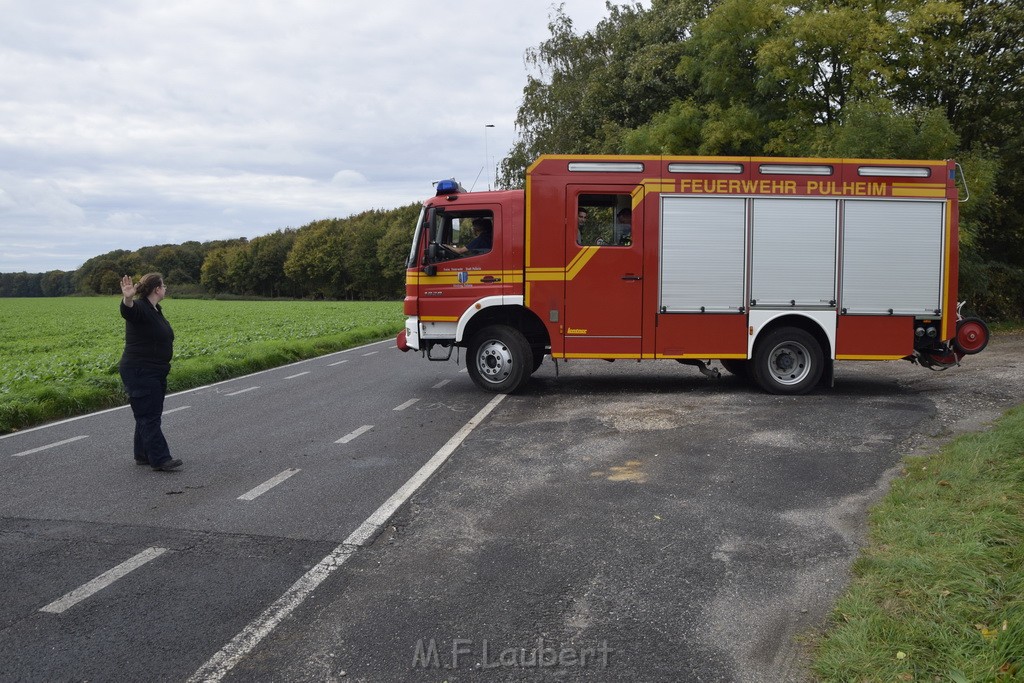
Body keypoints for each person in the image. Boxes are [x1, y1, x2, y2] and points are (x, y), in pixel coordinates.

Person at [119, 273, 182, 471]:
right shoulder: (140, 308)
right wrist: (128, 297)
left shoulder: (155, 309)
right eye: (164, 285)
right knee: (149, 416)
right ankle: (161, 459)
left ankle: (143, 454)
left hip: (155, 371)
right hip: (140, 371)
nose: (166, 288)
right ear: (156, 289)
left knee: (147, 414)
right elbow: (128, 311)